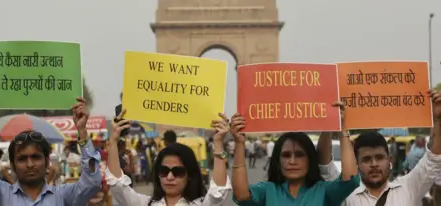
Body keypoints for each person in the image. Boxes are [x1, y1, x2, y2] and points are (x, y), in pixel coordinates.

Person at [0, 88, 102, 205]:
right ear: (13, 165)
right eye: (22, 159)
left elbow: (92, 182)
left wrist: (82, 131)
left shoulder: (63, 196)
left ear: (47, 161)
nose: (30, 164)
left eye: (36, 157)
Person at [320, 89, 441, 205]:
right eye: (366, 159)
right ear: (356, 164)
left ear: (390, 160)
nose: (374, 164)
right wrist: (332, 121)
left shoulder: (408, 188)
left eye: (379, 157)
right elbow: (325, 165)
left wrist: (439, 118)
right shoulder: (345, 193)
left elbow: (433, 159)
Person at [230, 101, 360, 205]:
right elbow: (241, 195)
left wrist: (342, 129)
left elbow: (351, 180)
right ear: (277, 161)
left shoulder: (323, 190)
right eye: (286, 155)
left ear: (310, 160)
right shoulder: (268, 190)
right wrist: (240, 143)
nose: (292, 161)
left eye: (299, 155)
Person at [106, 109, 232, 205]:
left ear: (189, 175)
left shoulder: (200, 204)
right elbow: (117, 184)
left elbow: (219, 191)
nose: (169, 177)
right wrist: (112, 142)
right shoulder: (145, 203)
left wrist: (219, 143)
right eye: (164, 171)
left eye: (178, 172)